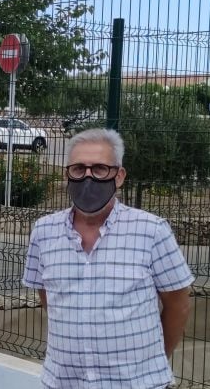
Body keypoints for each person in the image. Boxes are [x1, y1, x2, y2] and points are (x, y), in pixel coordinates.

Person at [23, 128, 193, 388]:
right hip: (64, 383)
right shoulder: (44, 232)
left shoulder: (152, 231)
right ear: (67, 173)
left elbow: (178, 304)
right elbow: (49, 299)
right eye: (79, 169)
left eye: (100, 169)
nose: (88, 177)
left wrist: (151, 361)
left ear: (119, 176)